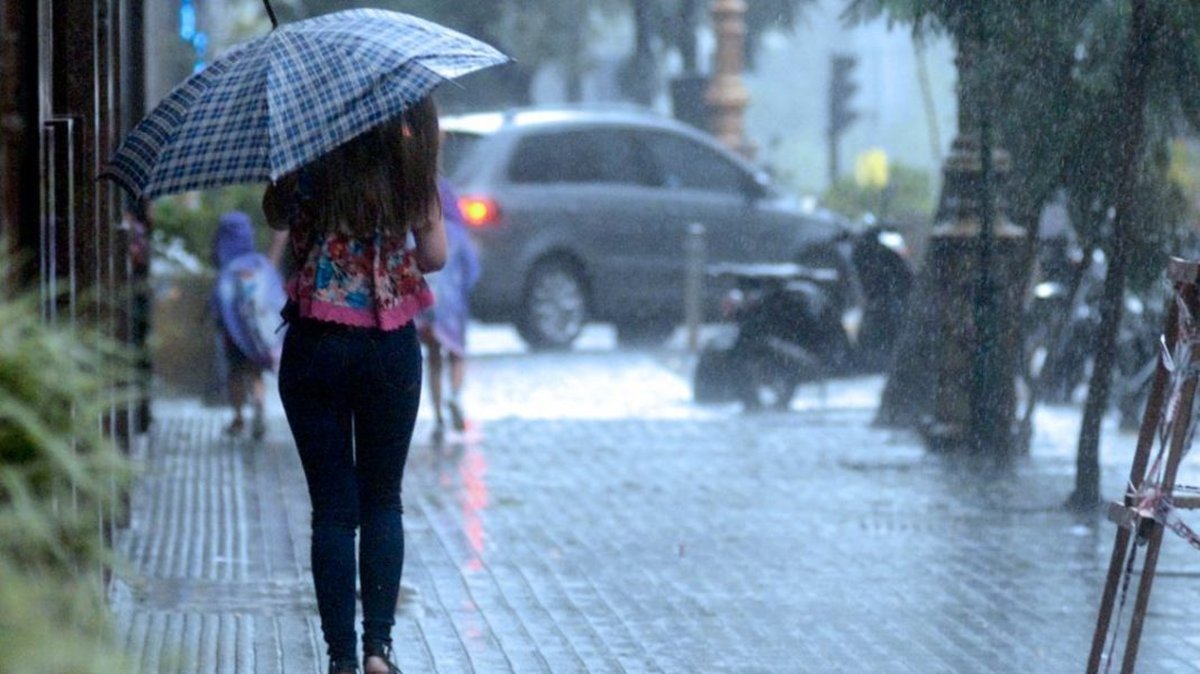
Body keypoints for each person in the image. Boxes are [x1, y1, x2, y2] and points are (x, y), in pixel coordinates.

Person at [262, 97, 446, 674]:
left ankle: (341, 657)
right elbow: (435, 256)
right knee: (383, 499)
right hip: (387, 346)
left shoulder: (307, 164)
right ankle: (378, 649)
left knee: (333, 511)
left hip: (315, 345)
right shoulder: (409, 166)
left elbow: (275, 220)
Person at [416, 177, 480, 439]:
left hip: (426, 306)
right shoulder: (459, 237)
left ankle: (439, 415)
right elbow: (472, 272)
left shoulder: (423, 233)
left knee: (433, 359)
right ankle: (454, 394)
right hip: (453, 309)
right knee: (457, 354)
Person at [211, 210, 269, 440]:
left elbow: (220, 303)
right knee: (256, 373)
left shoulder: (227, 268)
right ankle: (259, 407)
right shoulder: (256, 264)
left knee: (235, 373)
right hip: (256, 334)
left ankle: (238, 418)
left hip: (232, 334)